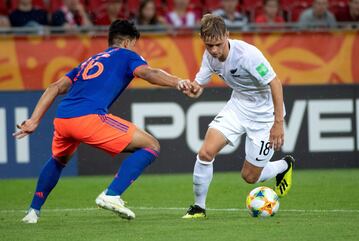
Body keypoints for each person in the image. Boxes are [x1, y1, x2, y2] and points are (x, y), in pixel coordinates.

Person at [14, 19, 192, 224]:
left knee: (59, 160)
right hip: (88, 117)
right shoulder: (127, 55)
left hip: (63, 118)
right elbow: (148, 73)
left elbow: (54, 87)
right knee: (151, 146)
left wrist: (34, 120)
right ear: (127, 42)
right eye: (134, 44)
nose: (134, 48)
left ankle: (33, 212)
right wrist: (178, 82)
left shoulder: (88, 61)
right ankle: (112, 194)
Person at [181, 14, 295, 219]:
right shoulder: (209, 56)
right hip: (238, 107)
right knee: (206, 153)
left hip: (265, 115)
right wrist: (193, 89)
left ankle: (284, 165)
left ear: (227, 35)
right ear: (202, 40)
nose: (214, 50)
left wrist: (278, 122)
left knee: (250, 177)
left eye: (217, 44)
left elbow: (275, 83)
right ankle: (199, 207)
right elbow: (200, 83)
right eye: (209, 45)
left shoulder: (248, 55)